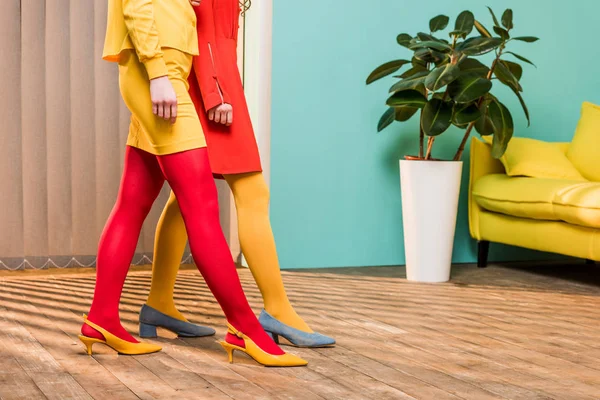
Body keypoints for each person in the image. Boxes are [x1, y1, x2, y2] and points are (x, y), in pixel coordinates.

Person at [78, 0, 307, 367]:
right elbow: (138, 6)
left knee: (132, 204)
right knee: (200, 207)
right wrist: (157, 74)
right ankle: (246, 328)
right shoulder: (157, 70)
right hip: (159, 72)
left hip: (167, 70)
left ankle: (101, 319)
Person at [137, 0, 335, 348]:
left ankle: (159, 303)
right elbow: (200, 25)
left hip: (214, 80)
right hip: (212, 85)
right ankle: (277, 309)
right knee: (252, 194)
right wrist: (216, 94)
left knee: (183, 198)